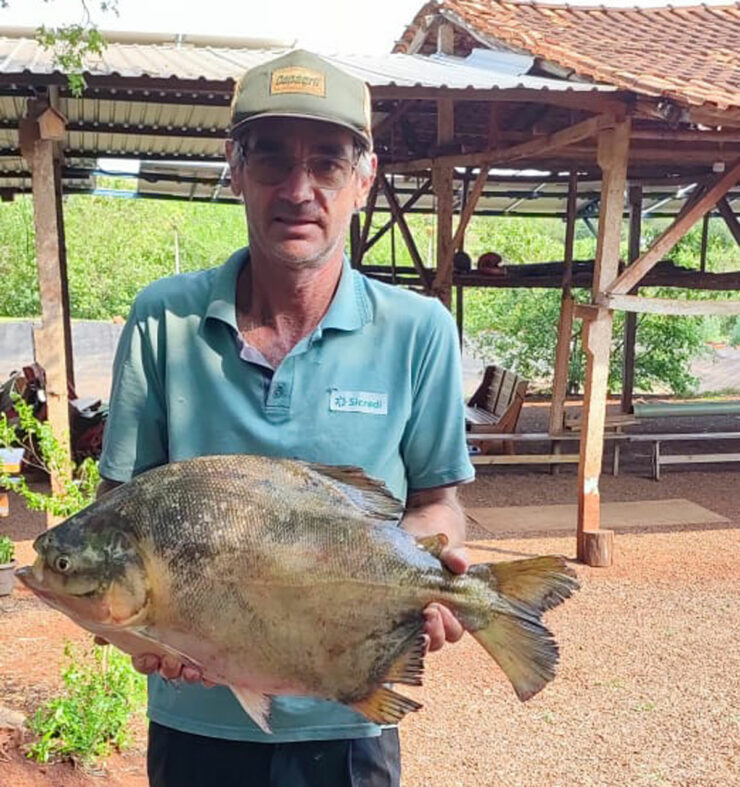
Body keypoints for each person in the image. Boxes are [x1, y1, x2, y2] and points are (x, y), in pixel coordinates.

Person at [97, 49, 475, 787]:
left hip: (346, 714)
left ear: (365, 179)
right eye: (271, 160)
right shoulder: (162, 321)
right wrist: (131, 630)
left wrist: (432, 571)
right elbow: (120, 515)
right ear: (234, 168)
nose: (298, 189)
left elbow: (436, 501)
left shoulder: (418, 330)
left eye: (328, 163)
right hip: (196, 714)